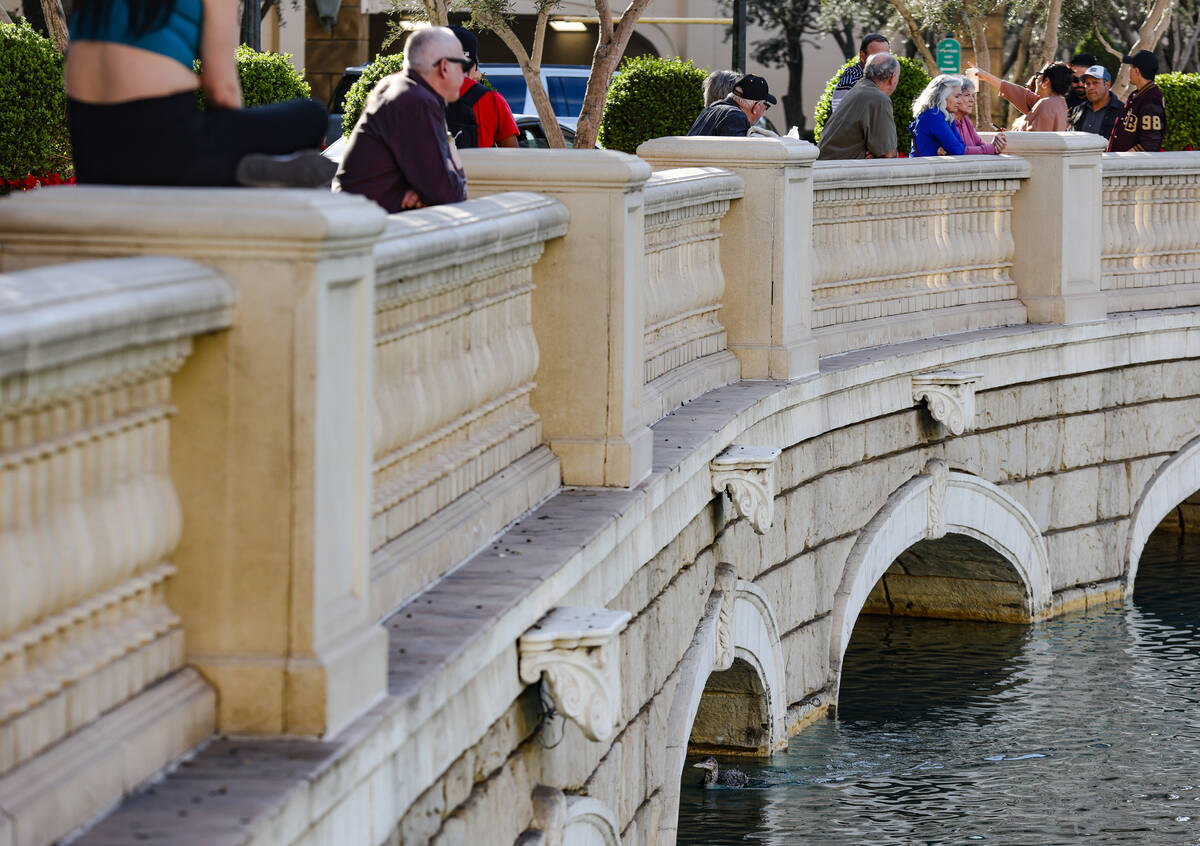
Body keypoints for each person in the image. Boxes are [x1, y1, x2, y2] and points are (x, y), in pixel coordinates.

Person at [65, 0, 333, 186]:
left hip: (92, 155)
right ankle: (233, 169)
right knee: (312, 115)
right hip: (169, 151)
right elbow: (222, 91)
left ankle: (235, 170)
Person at [333, 26, 469, 212]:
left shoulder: (408, 92)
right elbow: (449, 194)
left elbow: (439, 189)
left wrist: (418, 192)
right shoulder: (416, 101)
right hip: (360, 228)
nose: (465, 74)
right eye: (463, 65)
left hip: (363, 222)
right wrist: (429, 192)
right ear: (444, 67)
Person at [817, 52, 900, 160]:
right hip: (840, 171)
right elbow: (888, 154)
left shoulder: (858, 89)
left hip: (826, 168)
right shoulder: (878, 99)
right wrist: (887, 153)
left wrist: (877, 153)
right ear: (892, 78)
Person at [447, 25, 518, 148]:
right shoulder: (492, 100)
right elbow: (512, 156)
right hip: (475, 168)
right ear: (473, 63)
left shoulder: (410, 91)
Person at [969, 61, 1070, 132]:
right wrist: (986, 76)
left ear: (1046, 81)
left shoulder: (1046, 103)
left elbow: (1037, 140)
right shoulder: (1059, 102)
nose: (1036, 77)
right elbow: (1019, 93)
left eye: (1039, 74)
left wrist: (1014, 135)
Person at [1107, 50, 1166, 152]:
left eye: (1130, 67)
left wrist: (1123, 160)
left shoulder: (1151, 99)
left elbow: (1150, 143)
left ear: (1136, 71)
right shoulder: (1137, 94)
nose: (1129, 71)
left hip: (1130, 165)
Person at [686, 74, 776, 137]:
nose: (764, 110)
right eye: (765, 106)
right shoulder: (736, 117)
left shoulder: (711, 109)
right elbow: (736, 157)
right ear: (756, 107)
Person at [830, 33, 890, 113]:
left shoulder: (877, 79)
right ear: (862, 56)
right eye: (877, 55)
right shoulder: (850, 82)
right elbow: (841, 119)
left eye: (886, 56)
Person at [909, 75, 966, 157]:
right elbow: (957, 150)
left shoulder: (940, 113)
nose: (960, 101)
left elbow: (960, 147)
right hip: (923, 167)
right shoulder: (933, 114)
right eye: (956, 96)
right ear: (943, 96)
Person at [954, 75, 1006, 154]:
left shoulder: (965, 119)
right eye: (967, 95)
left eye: (972, 95)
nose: (972, 100)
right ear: (955, 97)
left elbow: (978, 144)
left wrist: (996, 145)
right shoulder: (946, 120)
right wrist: (991, 148)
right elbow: (958, 150)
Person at [1069, 65, 1123, 140]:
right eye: (1087, 84)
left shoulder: (1122, 111)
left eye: (1095, 83)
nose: (1090, 87)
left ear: (1107, 85)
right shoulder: (1078, 109)